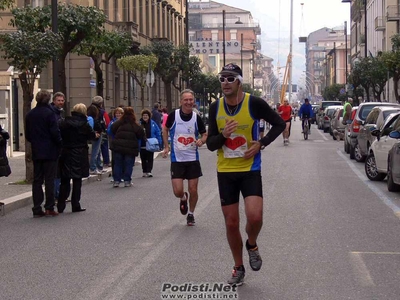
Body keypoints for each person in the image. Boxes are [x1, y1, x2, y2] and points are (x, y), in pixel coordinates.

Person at [206, 63, 285, 285]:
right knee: (231, 223)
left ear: (239, 81)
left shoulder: (254, 103)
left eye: (230, 78)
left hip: (250, 169)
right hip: (226, 171)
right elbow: (211, 144)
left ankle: (252, 243)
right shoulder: (215, 108)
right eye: (222, 79)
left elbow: (279, 124)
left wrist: (261, 143)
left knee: (255, 217)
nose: (225, 83)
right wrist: (223, 135)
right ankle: (238, 267)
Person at [162, 89, 207, 226]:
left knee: (193, 189)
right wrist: (166, 146)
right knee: (177, 191)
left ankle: (191, 214)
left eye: (191, 100)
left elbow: (204, 134)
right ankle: (183, 197)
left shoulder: (196, 117)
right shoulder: (173, 115)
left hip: (192, 159)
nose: (188, 102)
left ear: (193, 102)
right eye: (186, 100)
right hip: (177, 159)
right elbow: (165, 129)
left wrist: (202, 140)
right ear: (181, 101)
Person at [25, 90, 62, 218]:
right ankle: (49, 207)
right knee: (49, 179)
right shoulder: (50, 113)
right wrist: (59, 144)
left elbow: (28, 135)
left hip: (36, 150)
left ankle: (36, 207)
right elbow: (55, 132)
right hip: (50, 150)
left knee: (37, 180)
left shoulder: (30, 114)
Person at [57, 104, 97, 213]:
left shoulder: (64, 122)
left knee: (65, 179)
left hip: (66, 151)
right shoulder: (85, 124)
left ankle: (61, 204)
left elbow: (58, 133)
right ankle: (75, 204)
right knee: (77, 180)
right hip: (80, 152)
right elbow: (91, 136)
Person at [111, 107, 144, 187]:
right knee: (128, 164)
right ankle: (127, 180)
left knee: (118, 164)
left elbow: (112, 129)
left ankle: (116, 181)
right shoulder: (134, 124)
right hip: (130, 147)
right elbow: (140, 134)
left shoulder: (119, 123)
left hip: (118, 146)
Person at [87, 96, 110, 174]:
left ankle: (99, 166)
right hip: (97, 133)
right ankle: (94, 167)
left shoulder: (88, 109)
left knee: (97, 150)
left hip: (91, 133)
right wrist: (104, 129)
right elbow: (106, 121)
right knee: (96, 150)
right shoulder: (101, 111)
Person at [50, 92, 65, 203]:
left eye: (62, 100)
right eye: (58, 100)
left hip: (58, 145)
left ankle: (58, 193)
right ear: (54, 101)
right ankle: (55, 194)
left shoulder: (60, 112)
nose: (60, 102)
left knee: (58, 171)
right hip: (54, 146)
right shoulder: (52, 113)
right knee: (55, 172)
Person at [139, 109, 162, 178]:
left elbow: (158, 132)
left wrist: (159, 142)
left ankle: (149, 171)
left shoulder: (153, 123)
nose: (145, 116)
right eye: (144, 115)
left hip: (151, 143)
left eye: (146, 115)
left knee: (150, 158)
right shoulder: (140, 124)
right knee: (143, 158)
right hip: (142, 143)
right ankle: (144, 171)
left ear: (149, 116)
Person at [107, 107, 124, 182]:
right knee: (114, 160)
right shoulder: (112, 122)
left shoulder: (124, 122)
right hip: (114, 143)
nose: (118, 114)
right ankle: (115, 176)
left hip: (123, 143)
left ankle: (122, 175)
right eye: (117, 113)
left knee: (123, 160)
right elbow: (108, 131)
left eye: (120, 113)